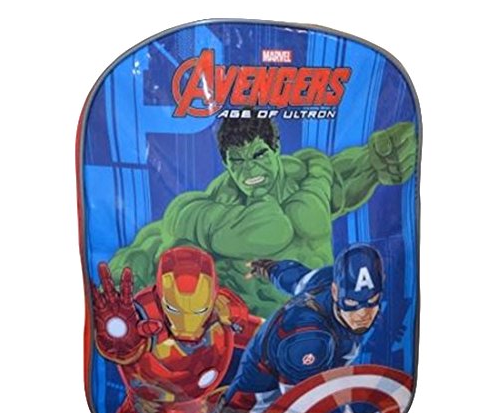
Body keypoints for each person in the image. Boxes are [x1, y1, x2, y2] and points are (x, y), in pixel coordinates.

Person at [109, 115, 415, 317]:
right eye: (238, 161)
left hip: (319, 326)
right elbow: (155, 245)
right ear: (226, 163)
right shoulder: (210, 210)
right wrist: (127, 273)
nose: (250, 170)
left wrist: (386, 156)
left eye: (258, 155)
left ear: (276, 147)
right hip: (244, 342)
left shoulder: (310, 178)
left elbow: (362, 169)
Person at [91, 246, 262, 413]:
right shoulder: (143, 317)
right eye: (174, 309)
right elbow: (126, 346)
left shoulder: (224, 312)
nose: (186, 323)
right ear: (160, 296)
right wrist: (117, 339)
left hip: (207, 409)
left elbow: (266, 334)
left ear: (212, 297)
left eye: (199, 310)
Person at [212, 244, 384, 413]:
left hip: (309, 375)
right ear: (335, 291)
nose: (362, 314)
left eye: (371, 301)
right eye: (351, 303)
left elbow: (294, 277)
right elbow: (301, 406)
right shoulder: (308, 338)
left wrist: (268, 268)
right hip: (253, 405)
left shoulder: (327, 277)